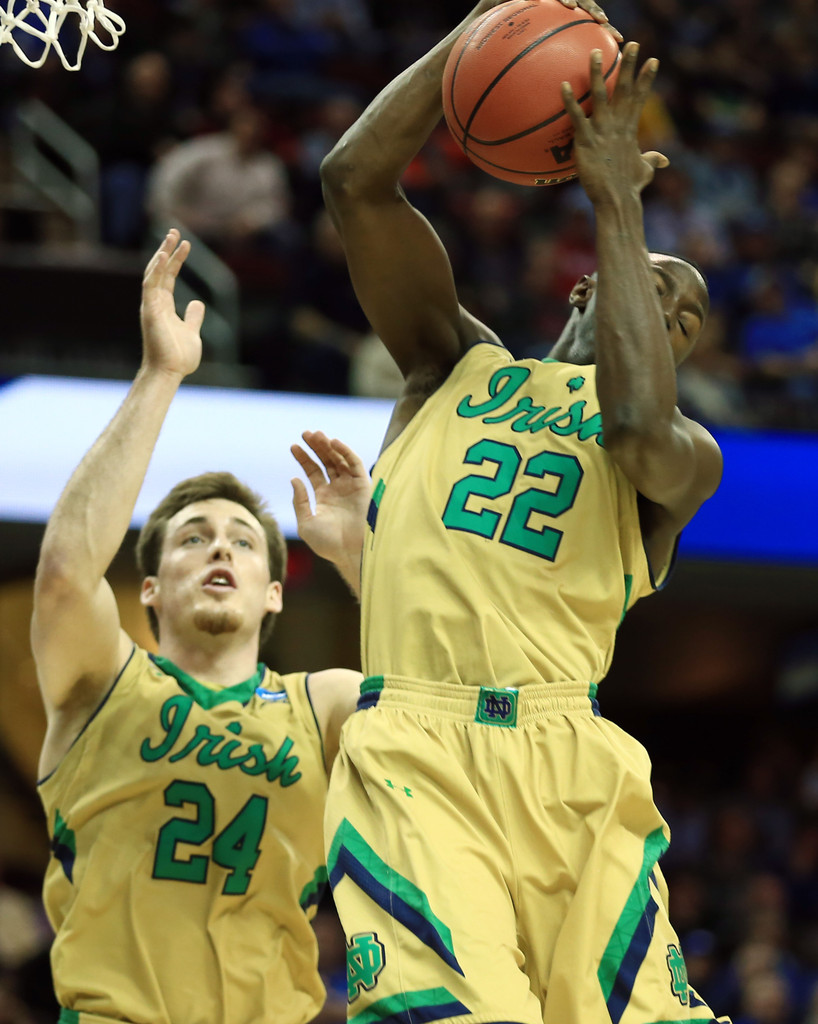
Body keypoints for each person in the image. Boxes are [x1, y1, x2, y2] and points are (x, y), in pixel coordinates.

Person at [299, 1, 730, 1020]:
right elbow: (354, 183)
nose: (671, 313)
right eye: (655, 290)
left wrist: (617, 205)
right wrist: (479, 30)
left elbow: (631, 422)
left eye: (685, 320)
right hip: (416, 749)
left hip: (571, 759)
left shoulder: (682, 454)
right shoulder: (450, 364)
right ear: (584, 291)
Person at [30, 229, 362, 1024]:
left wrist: (362, 559)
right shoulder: (101, 685)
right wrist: (161, 375)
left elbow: (446, 710)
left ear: (274, 594)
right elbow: (66, 576)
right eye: (193, 538)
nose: (220, 548)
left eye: (243, 542)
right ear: (149, 588)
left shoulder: (325, 706)